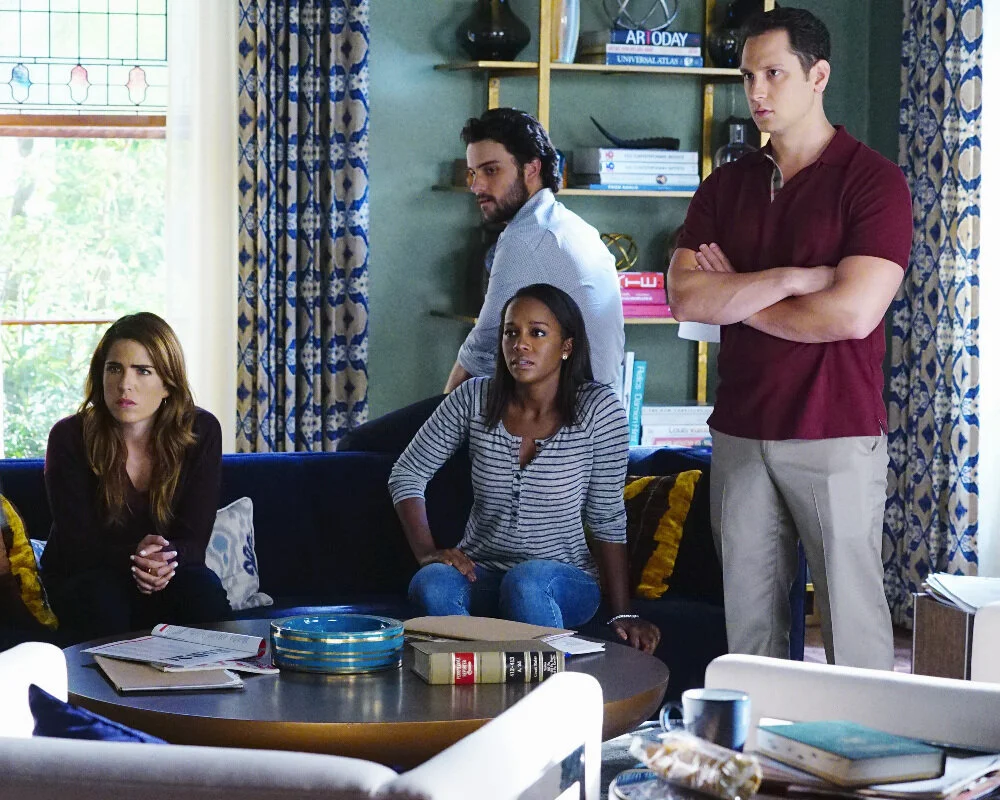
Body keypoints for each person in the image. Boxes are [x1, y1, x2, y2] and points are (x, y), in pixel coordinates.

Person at [666, 7, 912, 670]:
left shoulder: (875, 182)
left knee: (853, 631)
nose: (757, 92)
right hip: (741, 432)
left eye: (773, 73)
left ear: (818, 76)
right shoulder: (725, 186)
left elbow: (851, 315)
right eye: (748, 76)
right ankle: (759, 743)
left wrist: (737, 295)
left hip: (836, 431)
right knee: (750, 638)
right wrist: (791, 279)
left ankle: (861, 742)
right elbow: (685, 297)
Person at [389, 283, 659, 653]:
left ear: (566, 346)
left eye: (537, 333)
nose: (521, 344)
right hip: (482, 572)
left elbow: (606, 517)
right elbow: (407, 473)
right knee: (431, 582)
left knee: (527, 581)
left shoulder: (600, 410)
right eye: (511, 333)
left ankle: (549, 685)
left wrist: (623, 613)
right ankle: (471, 675)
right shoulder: (474, 398)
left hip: (564, 580)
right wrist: (426, 552)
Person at [337, 108, 624, 454]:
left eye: (491, 171)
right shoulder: (576, 227)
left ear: (531, 169)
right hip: (598, 418)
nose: (476, 186)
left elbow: (481, 350)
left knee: (358, 446)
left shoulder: (526, 237)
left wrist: (438, 435)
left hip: (561, 421)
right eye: (473, 173)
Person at [41, 312, 231, 640]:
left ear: (168, 383)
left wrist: (161, 561)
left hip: (168, 574)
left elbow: (194, 540)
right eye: (114, 368)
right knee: (102, 598)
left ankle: (222, 672)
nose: (124, 384)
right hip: (88, 574)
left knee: (204, 592)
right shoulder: (69, 436)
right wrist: (139, 558)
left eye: (143, 370)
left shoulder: (202, 431)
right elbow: (77, 547)